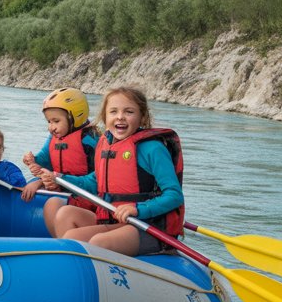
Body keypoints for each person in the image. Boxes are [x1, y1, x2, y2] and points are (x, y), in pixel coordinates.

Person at [45, 85, 184, 256]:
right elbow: (95, 181)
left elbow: (174, 195)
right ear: (105, 116)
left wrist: (138, 208)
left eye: (129, 112)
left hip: (148, 225)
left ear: (142, 116)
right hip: (116, 219)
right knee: (67, 220)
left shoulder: (152, 149)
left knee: (98, 242)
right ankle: (75, 271)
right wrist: (61, 179)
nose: (120, 117)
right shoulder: (106, 143)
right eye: (113, 111)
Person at [21, 88, 100, 235]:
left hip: (89, 197)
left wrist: (57, 180)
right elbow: (44, 158)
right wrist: (33, 160)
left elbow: (100, 178)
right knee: (50, 203)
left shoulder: (90, 140)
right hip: (65, 190)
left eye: (56, 121)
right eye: (49, 121)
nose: (51, 127)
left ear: (75, 117)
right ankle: (60, 241)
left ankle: (65, 245)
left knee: (53, 205)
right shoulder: (54, 137)